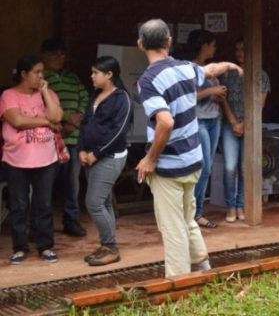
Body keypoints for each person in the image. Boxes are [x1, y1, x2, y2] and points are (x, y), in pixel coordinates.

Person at [135, 19, 242, 278]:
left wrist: (150, 159)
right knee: (187, 219)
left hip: (169, 167)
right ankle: (204, 269)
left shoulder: (148, 81)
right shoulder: (184, 68)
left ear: (140, 45)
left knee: (173, 228)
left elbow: (165, 122)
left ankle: (179, 282)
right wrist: (231, 65)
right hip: (193, 161)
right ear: (169, 41)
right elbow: (211, 69)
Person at [1, 55, 63, 264]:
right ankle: (20, 247)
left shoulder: (49, 93)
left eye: (42, 72)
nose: (40, 76)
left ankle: (45, 247)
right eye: (36, 72)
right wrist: (46, 121)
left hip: (46, 159)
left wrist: (45, 91)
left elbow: (57, 117)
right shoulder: (8, 95)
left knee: (43, 204)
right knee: (19, 204)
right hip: (16, 159)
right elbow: (17, 121)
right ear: (24, 74)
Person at [78, 56, 132, 267]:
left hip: (109, 157)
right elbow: (85, 123)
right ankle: (107, 246)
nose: (92, 76)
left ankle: (111, 247)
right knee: (105, 202)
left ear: (109, 75)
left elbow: (118, 132)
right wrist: (82, 149)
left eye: (96, 73)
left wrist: (96, 153)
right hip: (90, 157)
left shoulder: (122, 98)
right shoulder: (96, 95)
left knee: (94, 203)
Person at [41, 38, 89, 237]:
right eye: (53, 54)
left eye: (61, 54)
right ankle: (41, 225)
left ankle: (71, 220)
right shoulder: (42, 79)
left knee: (72, 184)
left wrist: (75, 121)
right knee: (45, 185)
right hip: (50, 141)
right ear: (44, 56)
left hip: (74, 141)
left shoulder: (73, 78)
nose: (59, 58)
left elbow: (85, 98)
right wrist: (68, 120)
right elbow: (41, 106)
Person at [219, 37, 271, 222]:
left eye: (243, 49)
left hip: (250, 126)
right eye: (237, 49)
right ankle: (230, 206)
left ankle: (241, 205)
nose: (239, 53)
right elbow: (222, 99)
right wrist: (234, 122)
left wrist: (245, 124)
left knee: (244, 167)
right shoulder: (227, 74)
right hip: (230, 125)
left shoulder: (261, 76)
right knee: (230, 167)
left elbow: (260, 105)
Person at [187, 29, 224, 229]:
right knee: (204, 167)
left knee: (206, 169)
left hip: (214, 120)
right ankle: (193, 212)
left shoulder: (211, 69)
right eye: (213, 45)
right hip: (199, 121)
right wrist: (211, 91)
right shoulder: (190, 69)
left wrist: (217, 95)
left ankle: (197, 212)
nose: (215, 49)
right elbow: (188, 98)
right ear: (204, 46)